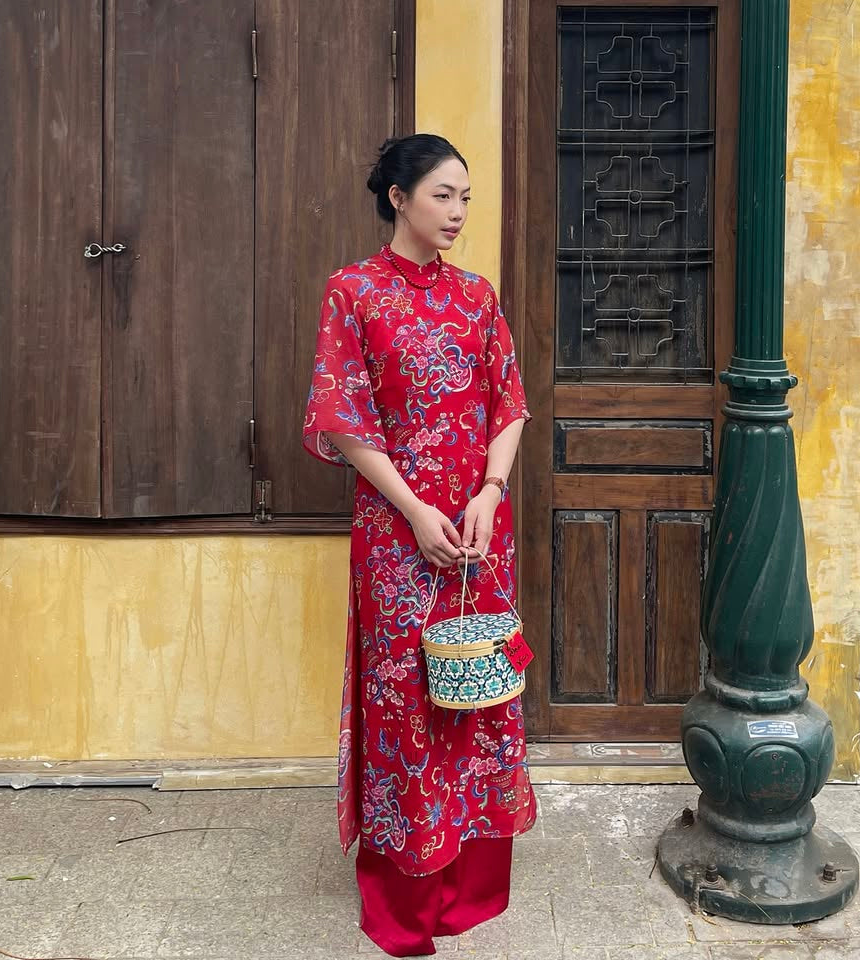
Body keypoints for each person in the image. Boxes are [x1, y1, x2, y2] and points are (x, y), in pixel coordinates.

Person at [302, 133, 537, 957]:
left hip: (477, 533)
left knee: (479, 692)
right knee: (407, 699)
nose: (458, 211)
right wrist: (412, 511)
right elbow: (342, 417)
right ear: (398, 197)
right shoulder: (354, 292)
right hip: (398, 539)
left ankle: (473, 882)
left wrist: (490, 492)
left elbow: (510, 404)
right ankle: (406, 891)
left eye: (465, 197)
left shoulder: (477, 296)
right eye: (444, 194)